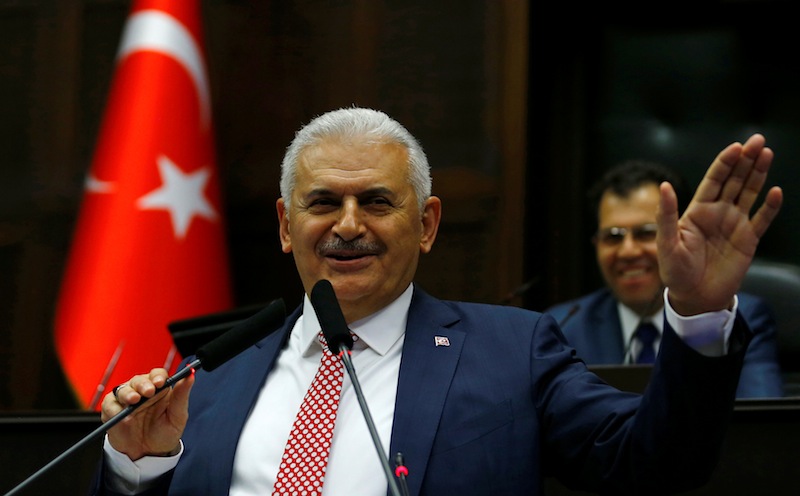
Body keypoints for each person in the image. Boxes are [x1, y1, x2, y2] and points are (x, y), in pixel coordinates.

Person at [94, 107, 783, 495]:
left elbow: (656, 465)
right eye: (323, 202)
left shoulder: (514, 351)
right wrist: (136, 469)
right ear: (284, 225)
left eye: (377, 202)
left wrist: (698, 313)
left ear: (426, 225)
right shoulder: (212, 373)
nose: (348, 226)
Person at [547, 160, 784, 398]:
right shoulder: (563, 328)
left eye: (646, 233)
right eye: (613, 237)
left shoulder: (740, 319)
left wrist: (702, 314)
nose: (628, 251)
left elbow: (760, 416)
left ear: (684, 235)